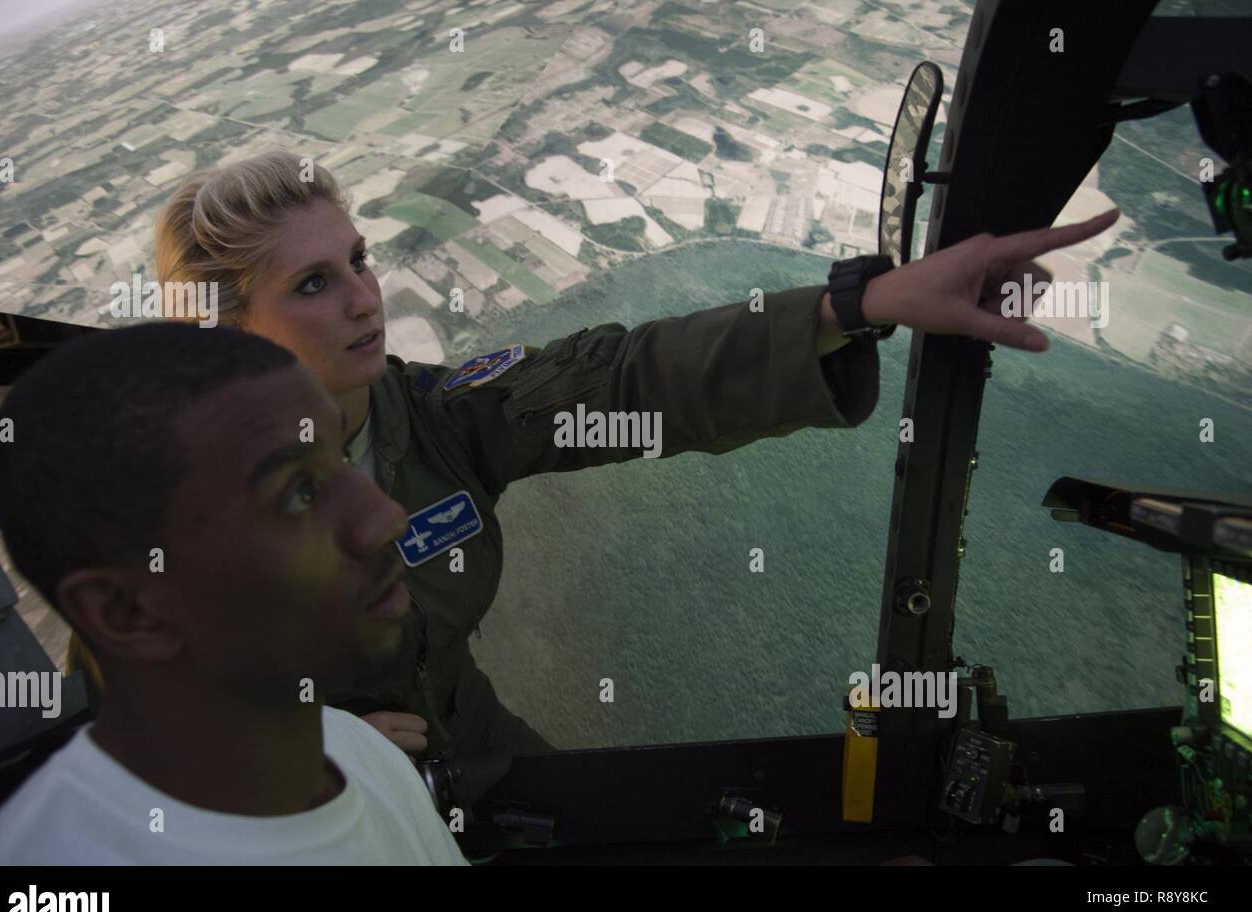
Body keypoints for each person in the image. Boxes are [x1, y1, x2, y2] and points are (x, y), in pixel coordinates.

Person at [141, 151, 1120, 758]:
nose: (364, 298)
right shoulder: (174, 517)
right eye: (313, 282)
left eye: (359, 259)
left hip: (462, 742)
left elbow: (623, 382)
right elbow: (128, 720)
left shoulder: (426, 415)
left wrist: (855, 306)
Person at [0, 323, 468, 865]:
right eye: (299, 495)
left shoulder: (355, 749)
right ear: (128, 612)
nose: (387, 517)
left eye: (338, 458)